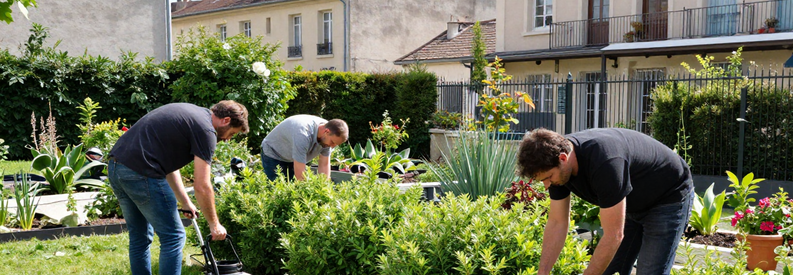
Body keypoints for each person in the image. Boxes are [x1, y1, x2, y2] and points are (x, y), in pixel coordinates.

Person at [517, 128, 694, 275]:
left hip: (668, 197)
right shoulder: (557, 168)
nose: (547, 186)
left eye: (548, 178)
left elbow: (614, 235)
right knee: (609, 269)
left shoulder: (605, 161)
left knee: (649, 271)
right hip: (630, 202)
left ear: (563, 158)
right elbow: (557, 223)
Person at [107, 100, 248, 275]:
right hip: (142, 173)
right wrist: (215, 225)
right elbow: (202, 185)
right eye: (232, 134)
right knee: (173, 237)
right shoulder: (206, 131)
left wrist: (185, 201)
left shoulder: (192, 115)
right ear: (226, 120)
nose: (227, 140)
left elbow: (168, 167)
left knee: (140, 237)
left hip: (116, 168)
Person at [260, 115, 348, 181]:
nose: (332, 147)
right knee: (277, 190)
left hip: (291, 157)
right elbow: (300, 175)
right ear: (326, 131)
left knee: (291, 190)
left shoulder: (328, 135)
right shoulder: (303, 134)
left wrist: (324, 189)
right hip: (273, 153)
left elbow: (324, 165)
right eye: (332, 142)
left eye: (336, 144)